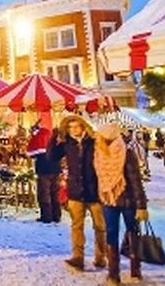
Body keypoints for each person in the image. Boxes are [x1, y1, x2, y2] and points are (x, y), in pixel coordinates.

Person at [49, 115, 107, 271]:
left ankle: (101, 257)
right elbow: (52, 156)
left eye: (76, 126)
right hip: (75, 191)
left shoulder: (94, 142)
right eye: (70, 127)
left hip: (94, 191)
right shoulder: (68, 144)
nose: (73, 130)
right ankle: (78, 257)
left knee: (100, 227)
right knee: (76, 226)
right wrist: (54, 136)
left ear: (83, 126)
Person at [93, 122, 148, 284]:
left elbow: (135, 180)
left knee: (132, 231)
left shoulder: (127, 153)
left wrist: (141, 205)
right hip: (108, 199)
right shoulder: (98, 154)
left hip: (128, 200)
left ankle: (135, 268)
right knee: (112, 233)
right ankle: (113, 272)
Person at [27, 125, 61, 223]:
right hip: (55, 169)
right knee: (55, 192)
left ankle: (46, 216)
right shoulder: (51, 138)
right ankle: (56, 215)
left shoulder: (38, 138)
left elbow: (31, 153)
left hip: (44, 170)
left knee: (44, 193)